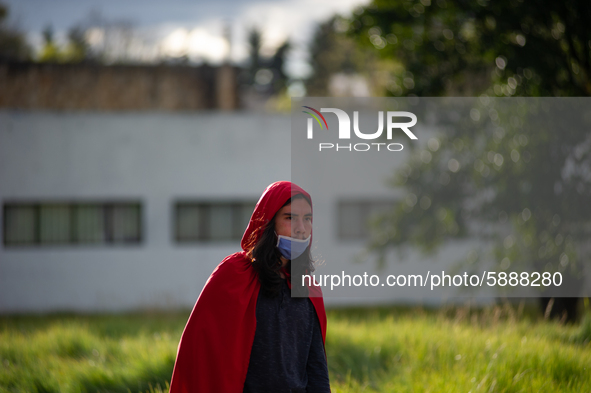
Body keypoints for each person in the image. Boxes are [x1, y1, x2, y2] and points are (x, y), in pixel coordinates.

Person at [169, 181, 330, 393]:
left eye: (307, 219)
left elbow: (316, 364)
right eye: (290, 218)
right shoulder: (233, 274)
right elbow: (201, 352)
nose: (301, 228)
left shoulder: (307, 285)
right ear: (269, 222)